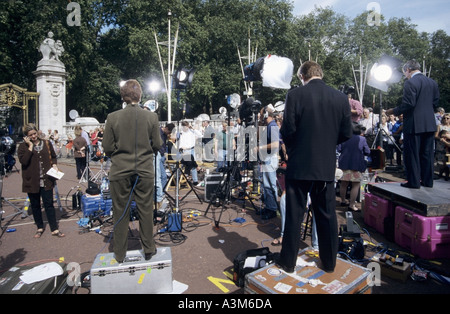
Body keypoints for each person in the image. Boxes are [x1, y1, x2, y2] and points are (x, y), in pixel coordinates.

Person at [278, 61, 352, 273]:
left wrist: (296, 148)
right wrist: (327, 144)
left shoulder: (295, 95)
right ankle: (329, 263)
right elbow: (347, 132)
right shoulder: (339, 97)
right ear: (320, 73)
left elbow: (288, 130)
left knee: (294, 215)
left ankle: (288, 262)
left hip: (300, 164)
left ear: (302, 76)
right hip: (325, 165)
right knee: (327, 214)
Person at [103, 79, 162, 263]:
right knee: (146, 210)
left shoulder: (112, 117)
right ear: (140, 96)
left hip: (120, 170)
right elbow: (158, 145)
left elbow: (107, 147)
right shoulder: (151, 117)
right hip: (144, 169)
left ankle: (120, 253)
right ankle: (149, 249)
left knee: (121, 212)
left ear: (123, 96)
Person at [386, 60, 440, 189]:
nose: (405, 75)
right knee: (427, 154)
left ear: (408, 70)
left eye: (405, 72)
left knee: (412, 154)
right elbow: (435, 103)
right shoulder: (432, 82)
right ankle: (428, 181)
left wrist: (393, 111)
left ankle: (414, 182)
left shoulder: (410, 82)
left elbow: (409, 103)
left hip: (415, 124)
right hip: (429, 123)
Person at [17, 123, 65, 238]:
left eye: (34, 133)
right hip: (32, 181)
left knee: (49, 204)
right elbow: (24, 161)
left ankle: (54, 228)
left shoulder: (46, 143)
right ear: (26, 136)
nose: (34, 136)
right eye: (30, 135)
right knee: (35, 205)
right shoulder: (23, 147)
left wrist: (54, 165)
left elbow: (53, 156)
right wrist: (30, 147)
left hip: (46, 179)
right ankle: (39, 227)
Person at [337, 123, 371, 211]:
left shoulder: (344, 138)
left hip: (344, 163)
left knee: (343, 184)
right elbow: (367, 151)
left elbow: (339, 149)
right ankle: (352, 205)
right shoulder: (362, 139)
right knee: (355, 185)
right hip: (356, 164)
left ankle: (343, 200)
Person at [256, 107, 279, 220]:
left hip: (270, 158)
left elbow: (275, 145)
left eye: (261, 115)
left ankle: (273, 209)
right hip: (267, 158)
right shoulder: (268, 126)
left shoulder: (273, 126)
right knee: (266, 185)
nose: (260, 117)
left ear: (266, 115)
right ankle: (270, 206)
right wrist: (260, 123)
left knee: (270, 185)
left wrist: (260, 147)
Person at [178, 121, 199, 185]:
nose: (185, 128)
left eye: (186, 126)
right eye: (184, 127)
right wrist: (181, 148)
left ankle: (195, 180)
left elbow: (200, 135)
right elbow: (179, 142)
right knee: (184, 165)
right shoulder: (181, 133)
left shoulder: (192, 132)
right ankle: (183, 178)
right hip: (184, 150)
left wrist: (193, 128)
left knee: (193, 165)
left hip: (191, 149)